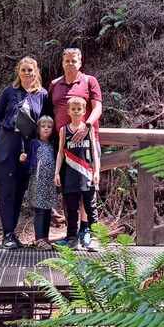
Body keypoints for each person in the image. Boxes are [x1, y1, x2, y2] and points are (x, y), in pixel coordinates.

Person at [0, 56, 50, 249]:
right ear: (18, 72)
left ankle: (25, 235)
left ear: (36, 72)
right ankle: (8, 234)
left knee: (21, 190)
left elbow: (46, 121)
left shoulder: (42, 95)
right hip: (8, 143)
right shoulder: (9, 92)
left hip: (30, 147)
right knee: (8, 190)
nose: (27, 73)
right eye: (23, 70)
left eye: (30, 70)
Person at [48, 47, 103, 249]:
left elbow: (98, 106)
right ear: (62, 63)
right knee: (69, 188)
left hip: (87, 140)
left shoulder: (89, 81)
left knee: (87, 188)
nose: (70, 64)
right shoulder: (55, 85)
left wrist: (87, 124)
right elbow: (48, 112)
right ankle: (71, 235)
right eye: (67, 61)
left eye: (74, 60)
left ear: (80, 62)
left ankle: (86, 231)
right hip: (64, 141)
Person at [54, 96, 101, 249]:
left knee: (91, 207)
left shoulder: (89, 129)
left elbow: (94, 151)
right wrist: (56, 173)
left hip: (87, 174)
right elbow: (60, 152)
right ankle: (72, 239)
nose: (76, 112)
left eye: (79, 109)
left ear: (84, 111)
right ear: (68, 111)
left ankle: (95, 239)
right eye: (73, 109)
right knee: (71, 208)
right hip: (70, 175)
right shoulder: (63, 130)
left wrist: (96, 171)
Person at [27, 115, 57, 249]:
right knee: (40, 210)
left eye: (49, 127)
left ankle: (45, 238)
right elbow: (29, 161)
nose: (46, 129)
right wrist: (24, 159)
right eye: (43, 126)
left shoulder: (52, 145)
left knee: (47, 209)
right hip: (38, 181)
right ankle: (39, 239)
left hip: (49, 182)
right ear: (38, 129)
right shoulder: (34, 143)